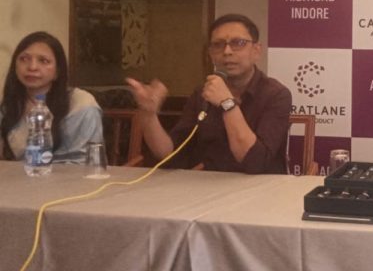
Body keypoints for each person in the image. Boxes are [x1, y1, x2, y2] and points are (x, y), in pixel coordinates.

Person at [126, 14, 291, 174]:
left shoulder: (276, 95)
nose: (227, 51)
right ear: (211, 54)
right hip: (209, 185)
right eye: (218, 45)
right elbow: (171, 153)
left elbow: (255, 162)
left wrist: (227, 103)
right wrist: (149, 114)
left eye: (238, 43)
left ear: (256, 51)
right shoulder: (203, 93)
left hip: (262, 187)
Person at [1, 31, 103, 164]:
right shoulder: (9, 105)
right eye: (24, 59)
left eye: (43, 61)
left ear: (58, 71)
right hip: (22, 176)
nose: (32, 67)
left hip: (73, 176)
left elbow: (87, 162)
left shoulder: (81, 103)